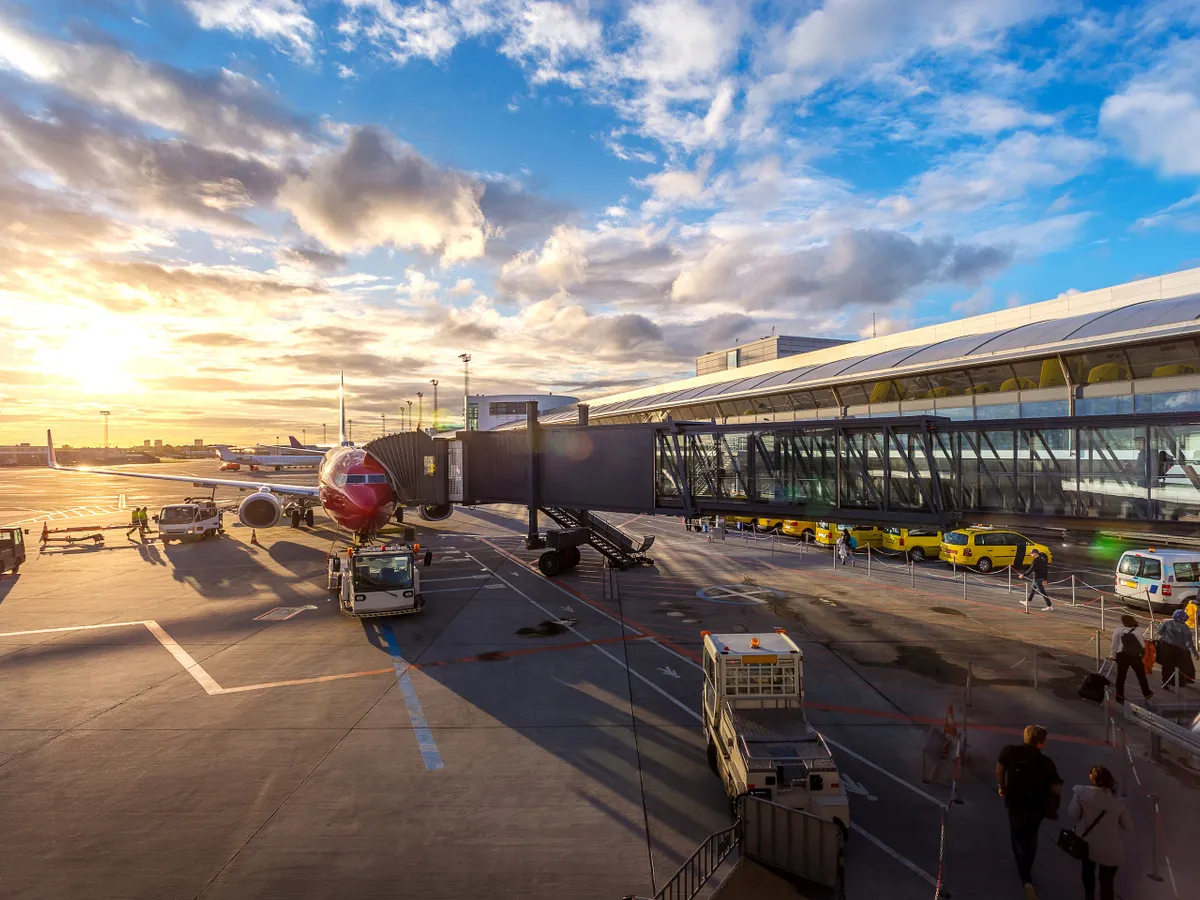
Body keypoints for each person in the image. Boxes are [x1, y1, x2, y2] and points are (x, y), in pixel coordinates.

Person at [996, 725, 1063, 900]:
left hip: (1015, 803)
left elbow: (999, 769)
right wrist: (1054, 802)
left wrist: (1002, 787)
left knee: (1017, 836)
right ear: (1040, 743)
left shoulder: (1010, 751)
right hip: (1037, 808)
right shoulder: (1047, 763)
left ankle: (1024, 875)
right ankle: (1027, 871)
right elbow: (1056, 787)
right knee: (1032, 836)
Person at [1066, 765, 1131, 900]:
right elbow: (1128, 826)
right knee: (1107, 883)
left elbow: (1072, 813)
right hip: (1111, 849)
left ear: (1092, 778)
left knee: (1088, 872)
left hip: (1088, 844)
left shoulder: (1080, 792)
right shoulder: (1118, 802)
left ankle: (1089, 897)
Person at [1109, 614, 1154, 704]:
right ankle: (1147, 693)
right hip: (1134, 656)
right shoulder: (1137, 632)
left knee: (1121, 676)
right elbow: (1142, 645)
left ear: (1123, 622)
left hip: (1121, 655)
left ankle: (1119, 695)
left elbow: (1114, 645)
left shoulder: (1118, 631)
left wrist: (1112, 655)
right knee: (1141, 675)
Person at [1157, 608, 1198, 689]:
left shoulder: (1167, 622)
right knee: (1179, 666)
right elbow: (1189, 643)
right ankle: (1178, 682)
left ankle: (1165, 682)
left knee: (1166, 665)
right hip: (1179, 650)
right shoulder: (1185, 628)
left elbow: (1160, 632)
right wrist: (1195, 653)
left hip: (1165, 646)